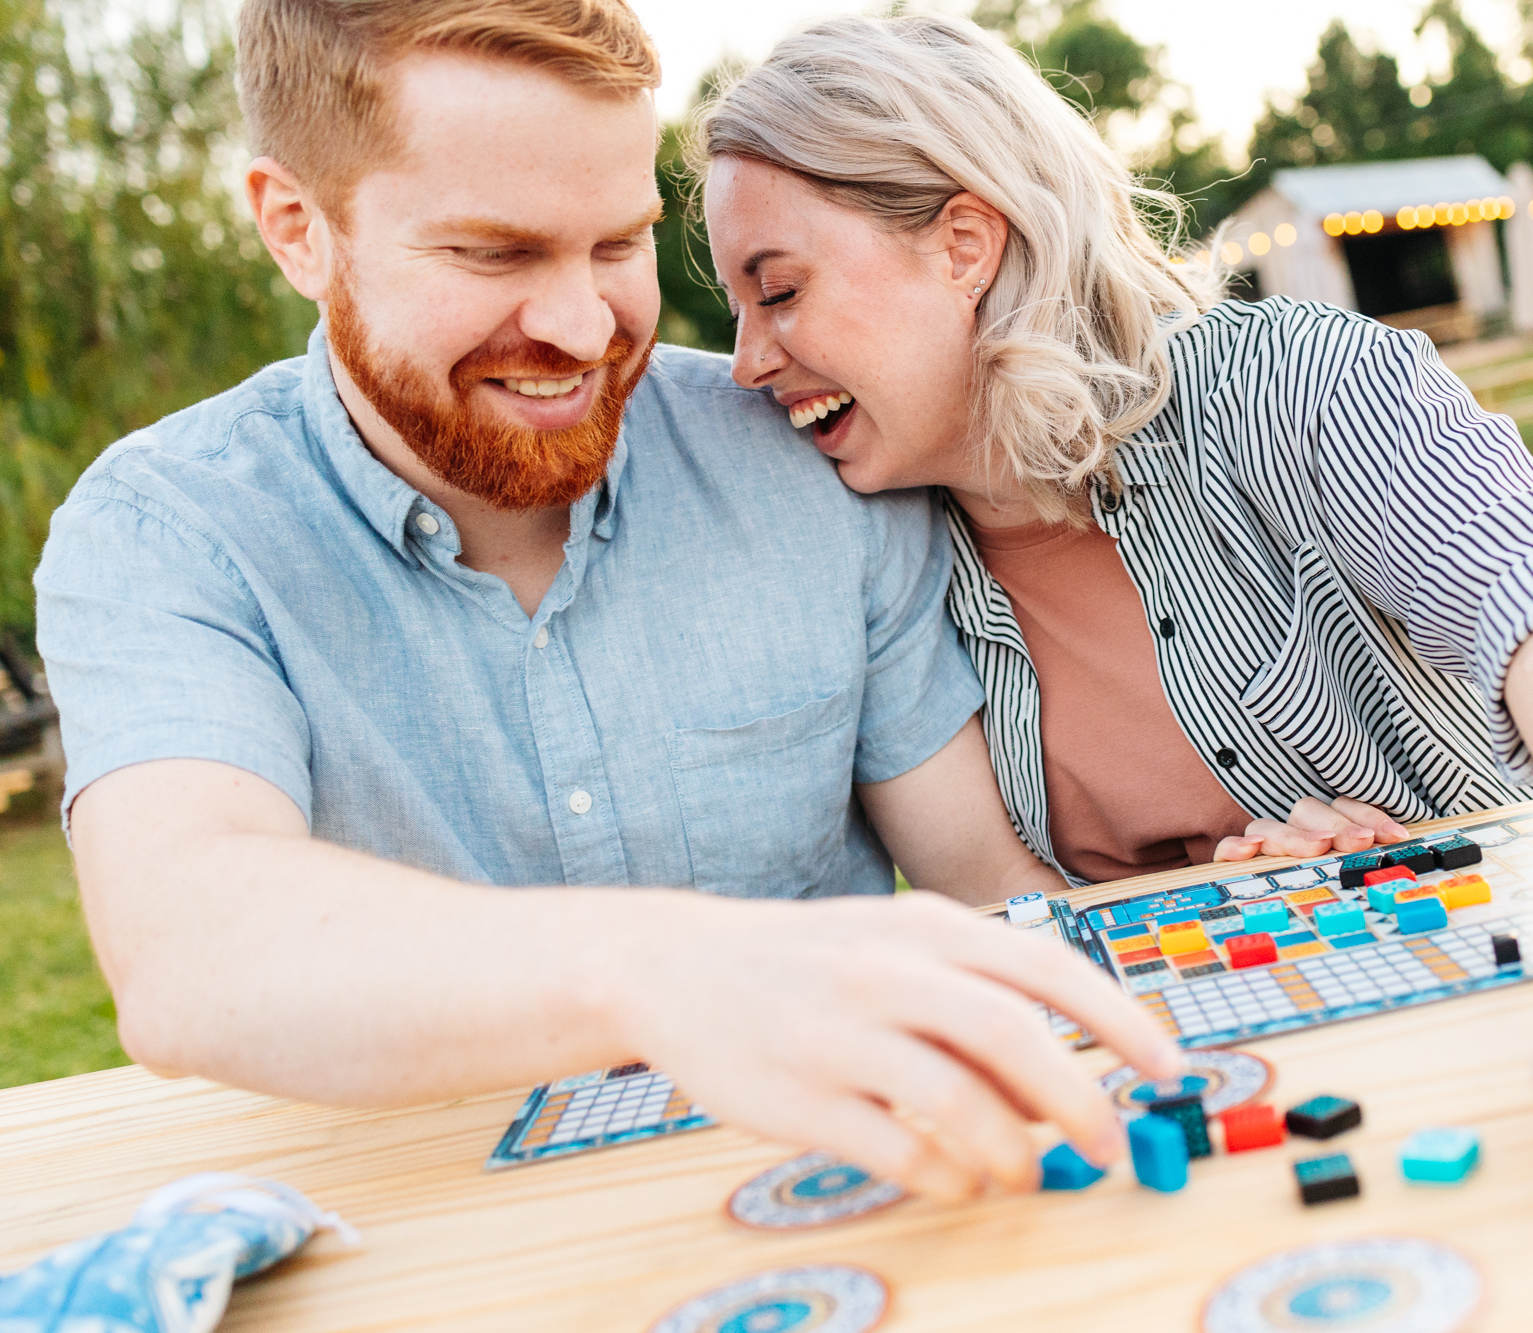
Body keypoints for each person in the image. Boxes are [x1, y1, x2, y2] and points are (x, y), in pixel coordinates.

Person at [32, 0, 1180, 1205]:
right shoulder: (169, 531)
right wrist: (662, 969)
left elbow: (986, 882)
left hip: (856, 1218)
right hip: (435, 1250)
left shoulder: (805, 459)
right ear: (295, 229)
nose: (583, 329)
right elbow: (189, 952)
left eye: (617, 244)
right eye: (494, 254)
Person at [695, 13, 1533, 1171]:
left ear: (964, 244)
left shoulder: (1292, 385)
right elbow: (1006, 906)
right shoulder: (875, 551)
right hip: (1186, 1116)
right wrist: (1232, 911)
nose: (745, 358)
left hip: (1527, 1048)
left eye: (776, 291)